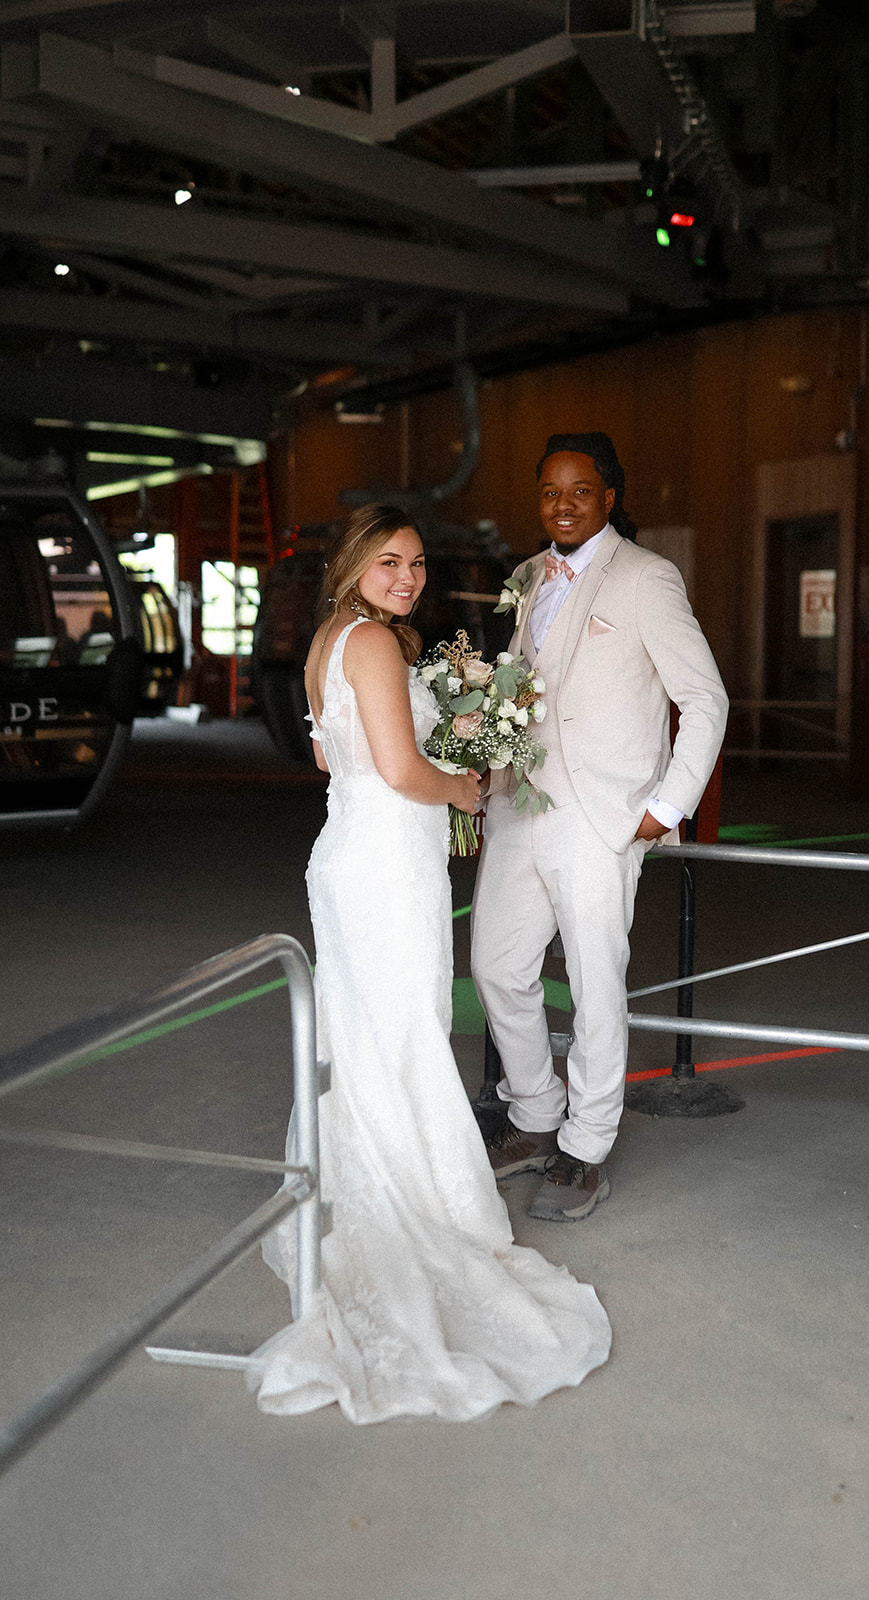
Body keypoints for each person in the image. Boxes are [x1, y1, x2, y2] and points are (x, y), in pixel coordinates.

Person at [247, 503, 611, 1423]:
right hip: (384, 866)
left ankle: (361, 1189)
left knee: (368, 1034)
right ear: (354, 565)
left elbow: (334, 759)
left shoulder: (331, 640)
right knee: (401, 1030)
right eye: (389, 562)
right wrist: (469, 785)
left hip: (355, 854)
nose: (406, 577)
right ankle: (407, 1207)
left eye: (415, 564)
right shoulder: (372, 644)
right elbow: (402, 770)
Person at [471, 433, 728, 1223]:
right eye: (550, 490)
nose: (563, 505)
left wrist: (667, 803)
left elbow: (706, 699)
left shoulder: (649, 578)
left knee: (592, 983)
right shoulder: (525, 577)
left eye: (580, 490)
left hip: (601, 816)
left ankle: (584, 1145)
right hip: (519, 805)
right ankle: (535, 1113)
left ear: (609, 497)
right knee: (496, 966)